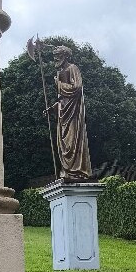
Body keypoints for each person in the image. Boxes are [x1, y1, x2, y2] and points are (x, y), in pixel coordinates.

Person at [52, 45, 92, 181]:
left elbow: (77, 88)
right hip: (63, 112)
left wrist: (59, 84)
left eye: (58, 55)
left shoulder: (72, 68)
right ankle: (67, 170)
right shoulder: (59, 73)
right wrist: (53, 107)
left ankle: (77, 171)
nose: (56, 59)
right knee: (63, 144)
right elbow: (62, 98)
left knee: (72, 141)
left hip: (73, 112)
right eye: (55, 56)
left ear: (65, 56)